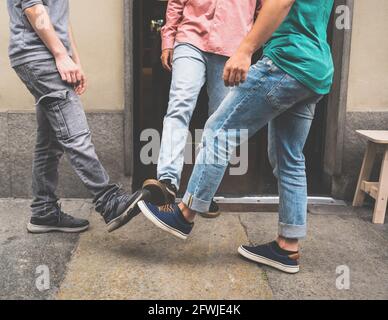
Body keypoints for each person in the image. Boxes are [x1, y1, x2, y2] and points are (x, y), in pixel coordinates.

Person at [138, 0, 335, 274]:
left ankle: (184, 214)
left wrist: (244, 49)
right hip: (316, 68)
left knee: (219, 130)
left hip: (286, 61)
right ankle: (288, 247)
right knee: (289, 157)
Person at [7, 0, 149, 234]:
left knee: (49, 141)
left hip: (46, 55)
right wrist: (61, 55)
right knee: (75, 134)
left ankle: (44, 211)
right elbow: (33, 9)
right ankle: (108, 200)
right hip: (40, 55)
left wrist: (74, 60)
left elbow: (59, 18)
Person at [142, 0, 260, 218]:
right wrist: (168, 40)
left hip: (232, 48)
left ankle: (202, 191)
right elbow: (176, 3)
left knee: (220, 122)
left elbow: (266, 11)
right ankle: (167, 181)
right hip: (190, 39)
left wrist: (249, 47)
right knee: (179, 104)